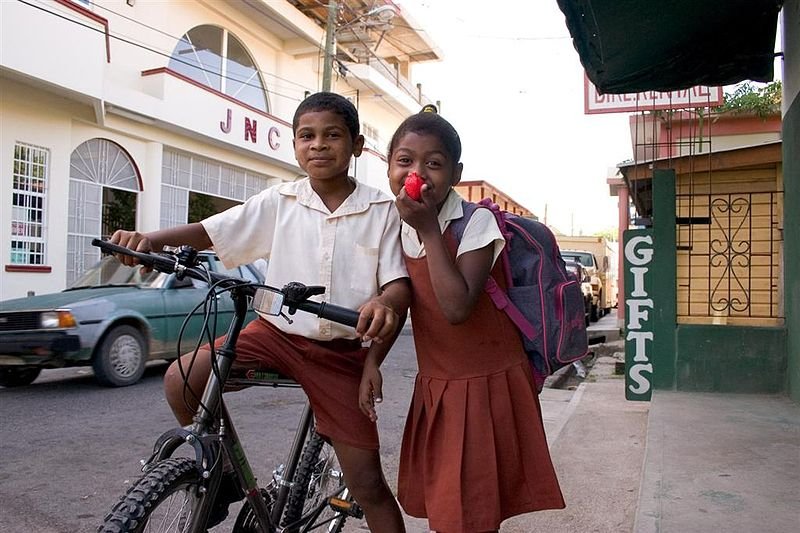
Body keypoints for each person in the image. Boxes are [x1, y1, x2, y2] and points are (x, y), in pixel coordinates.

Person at [110, 92, 409, 532]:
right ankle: (224, 479)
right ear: (294, 145)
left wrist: (382, 314)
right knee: (181, 379)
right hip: (275, 334)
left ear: (358, 145)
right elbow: (211, 231)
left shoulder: (383, 211)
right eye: (306, 136)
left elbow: (398, 285)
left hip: (341, 354)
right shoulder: (279, 201)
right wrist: (149, 241)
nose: (318, 145)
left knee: (369, 485)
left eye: (332, 135)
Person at [387, 111, 565, 533]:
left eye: (433, 163)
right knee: (453, 510)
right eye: (405, 161)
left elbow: (456, 307)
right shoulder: (393, 223)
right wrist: (372, 364)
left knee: (471, 514)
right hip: (439, 387)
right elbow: (394, 296)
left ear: (455, 173)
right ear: (389, 164)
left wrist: (430, 230)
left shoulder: (476, 222)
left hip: (487, 385)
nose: (418, 173)